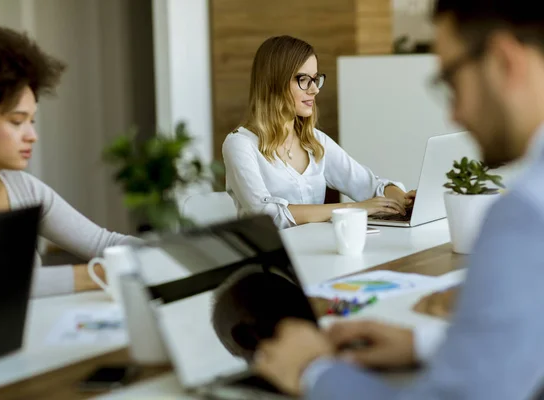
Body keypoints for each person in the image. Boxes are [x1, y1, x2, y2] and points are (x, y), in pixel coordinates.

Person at [253, 1, 544, 398]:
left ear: (504, 62)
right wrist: (421, 344)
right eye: (302, 80)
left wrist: (312, 370)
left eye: (451, 82)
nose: (454, 114)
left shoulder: (525, 215)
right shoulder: (243, 144)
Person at [0, 24, 143, 298]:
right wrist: (91, 275)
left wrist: (177, 254)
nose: (32, 136)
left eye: (32, 121)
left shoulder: (24, 188)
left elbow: (103, 242)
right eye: (17, 121)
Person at [222, 36, 416, 229]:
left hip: (315, 251)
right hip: (269, 257)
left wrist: (403, 198)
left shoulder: (314, 141)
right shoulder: (240, 144)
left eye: (315, 79)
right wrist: (353, 208)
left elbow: (368, 185)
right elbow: (267, 214)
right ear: (274, 83)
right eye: (303, 80)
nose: (314, 90)